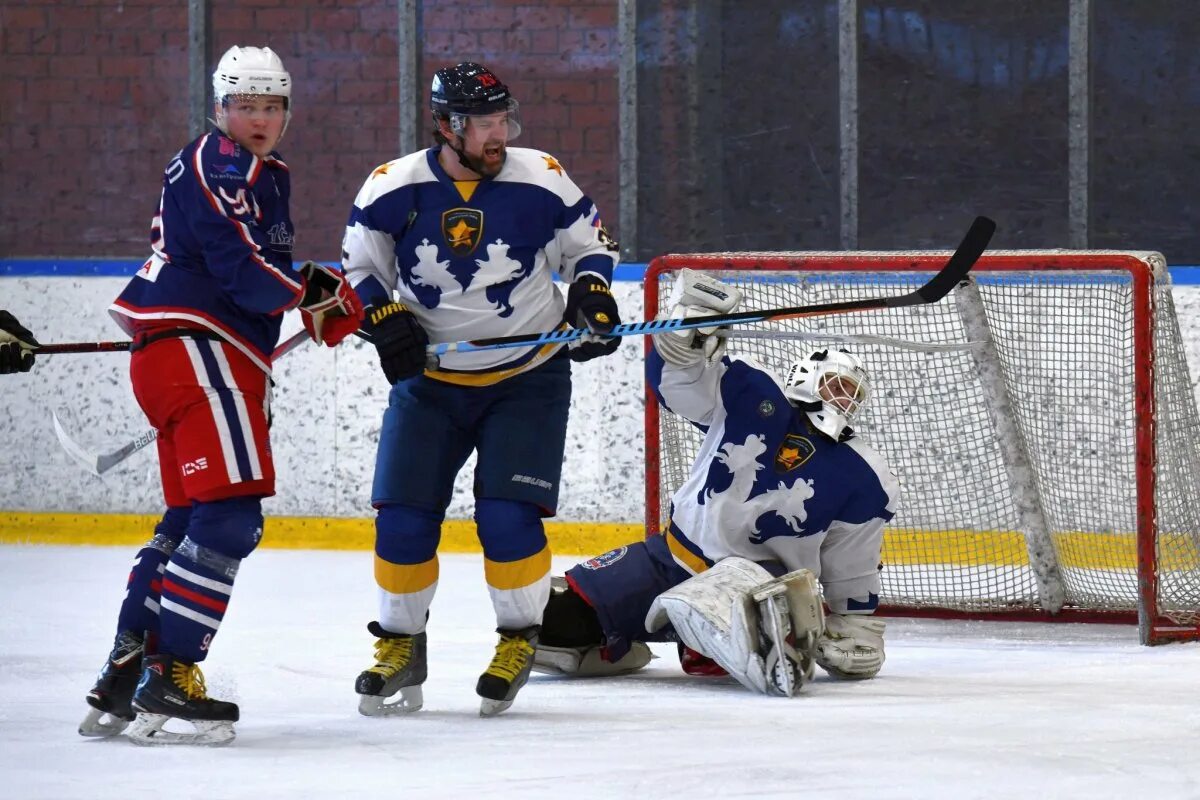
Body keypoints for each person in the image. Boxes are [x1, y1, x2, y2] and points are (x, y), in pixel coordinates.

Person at [78, 45, 363, 746]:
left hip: (190, 353)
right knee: (232, 518)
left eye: (272, 106)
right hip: (200, 351)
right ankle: (171, 675)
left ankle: (128, 664)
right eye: (246, 105)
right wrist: (309, 298)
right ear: (220, 107)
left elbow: (251, 262)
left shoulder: (259, 171)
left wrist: (302, 291)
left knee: (190, 516)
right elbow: (239, 265)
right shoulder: (222, 163)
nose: (260, 118)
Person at [342, 62, 622, 717]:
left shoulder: (540, 176)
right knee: (404, 517)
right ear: (448, 126)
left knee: (506, 515)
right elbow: (359, 270)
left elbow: (591, 248)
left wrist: (591, 294)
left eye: (504, 120)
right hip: (431, 384)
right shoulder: (393, 187)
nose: (500, 134)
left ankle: (520, 638)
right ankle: (400, 645)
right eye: (486, 124)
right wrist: (381, 316)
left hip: (527, 378)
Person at [533, 270, 897, 696]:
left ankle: (711, 636)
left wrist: (855, 623)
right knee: (549, 624)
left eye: (852, 394)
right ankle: (631, 642)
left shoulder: (863, 473)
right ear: (805, 375)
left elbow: (852, 557)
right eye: (836, 385)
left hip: (759, 585)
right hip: (669, 558)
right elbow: (682, 389)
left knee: (728, 622)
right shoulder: (751, 393)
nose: (843, 400)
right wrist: (682, 345)